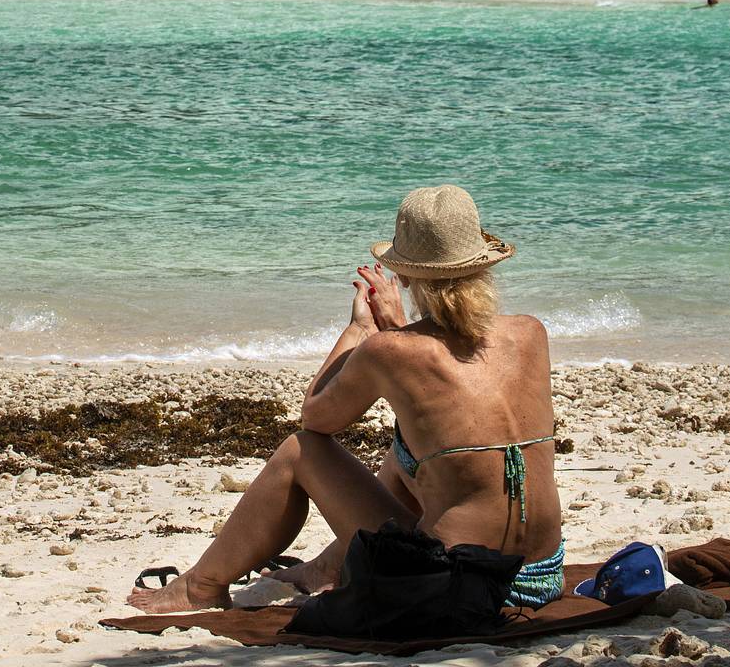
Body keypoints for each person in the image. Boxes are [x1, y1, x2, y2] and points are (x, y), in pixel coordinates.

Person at [126, 185, 564, 618]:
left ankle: (203, 586)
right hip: (539, 578)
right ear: (483, 265)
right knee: (406, 455)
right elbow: (450, 396)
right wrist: (397, 333)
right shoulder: (531, 332)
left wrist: (361, 331)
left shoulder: (390, 351)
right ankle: (325, 568)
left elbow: (316, 418)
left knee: (300, 450)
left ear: (406, 275)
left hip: (451, 587)